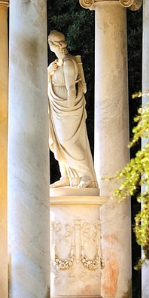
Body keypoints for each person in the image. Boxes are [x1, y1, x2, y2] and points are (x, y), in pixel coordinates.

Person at [47, 31, 96, 188]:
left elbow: (71, 89)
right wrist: (48, 73)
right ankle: (67, 177)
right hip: (56, 108)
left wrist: (69, 109)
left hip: (68, 109)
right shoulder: (57, 63)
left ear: (53, 45)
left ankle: (87, 174)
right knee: (59, 142)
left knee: (67, 142)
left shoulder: (68, 63)